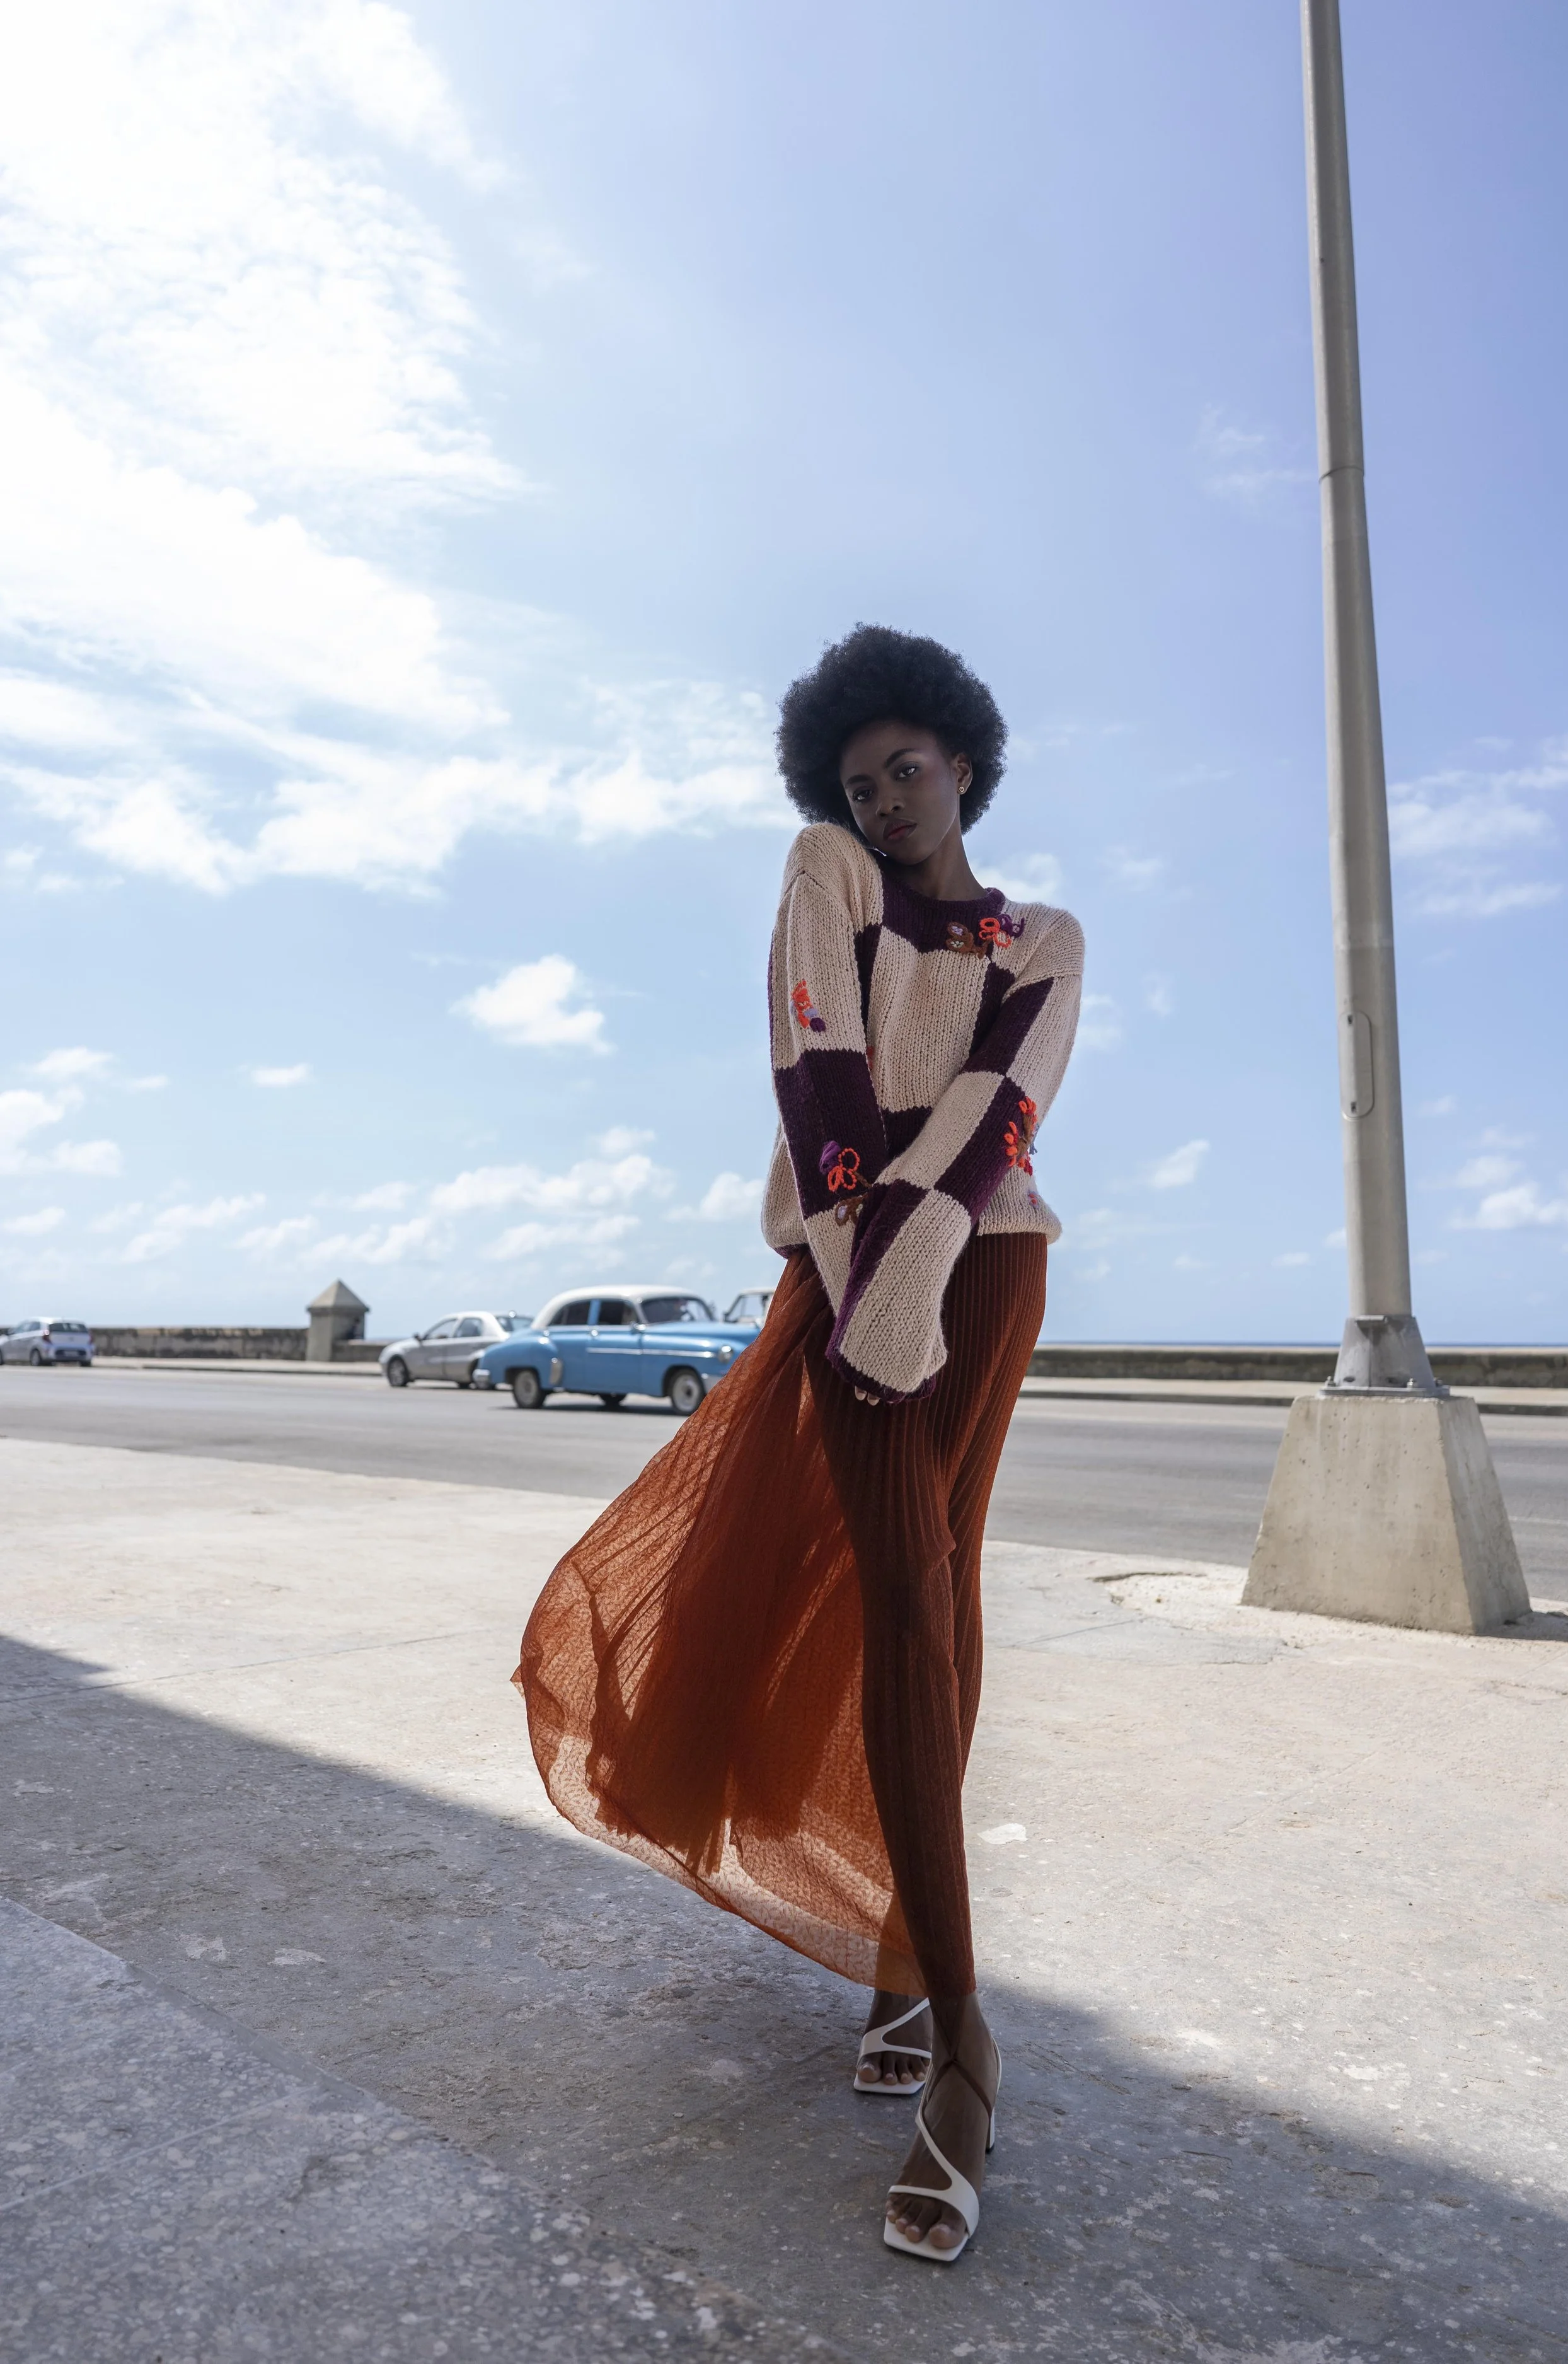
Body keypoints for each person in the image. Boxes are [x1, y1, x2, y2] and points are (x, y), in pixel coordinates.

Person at [516, 623, 1083, 2263]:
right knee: (901, 1601)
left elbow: (1000, 1111)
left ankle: (916, 1965)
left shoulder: (1041, 934)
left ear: (964, 761)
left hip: (988, 1272)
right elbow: (816, 1083)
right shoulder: (825, 874)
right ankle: (964, 2037)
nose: (884, 797)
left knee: (944, 1595)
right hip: (845, 1277)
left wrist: (921, 1281)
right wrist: (868, 1288)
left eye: (907, 767)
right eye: (857, 778)